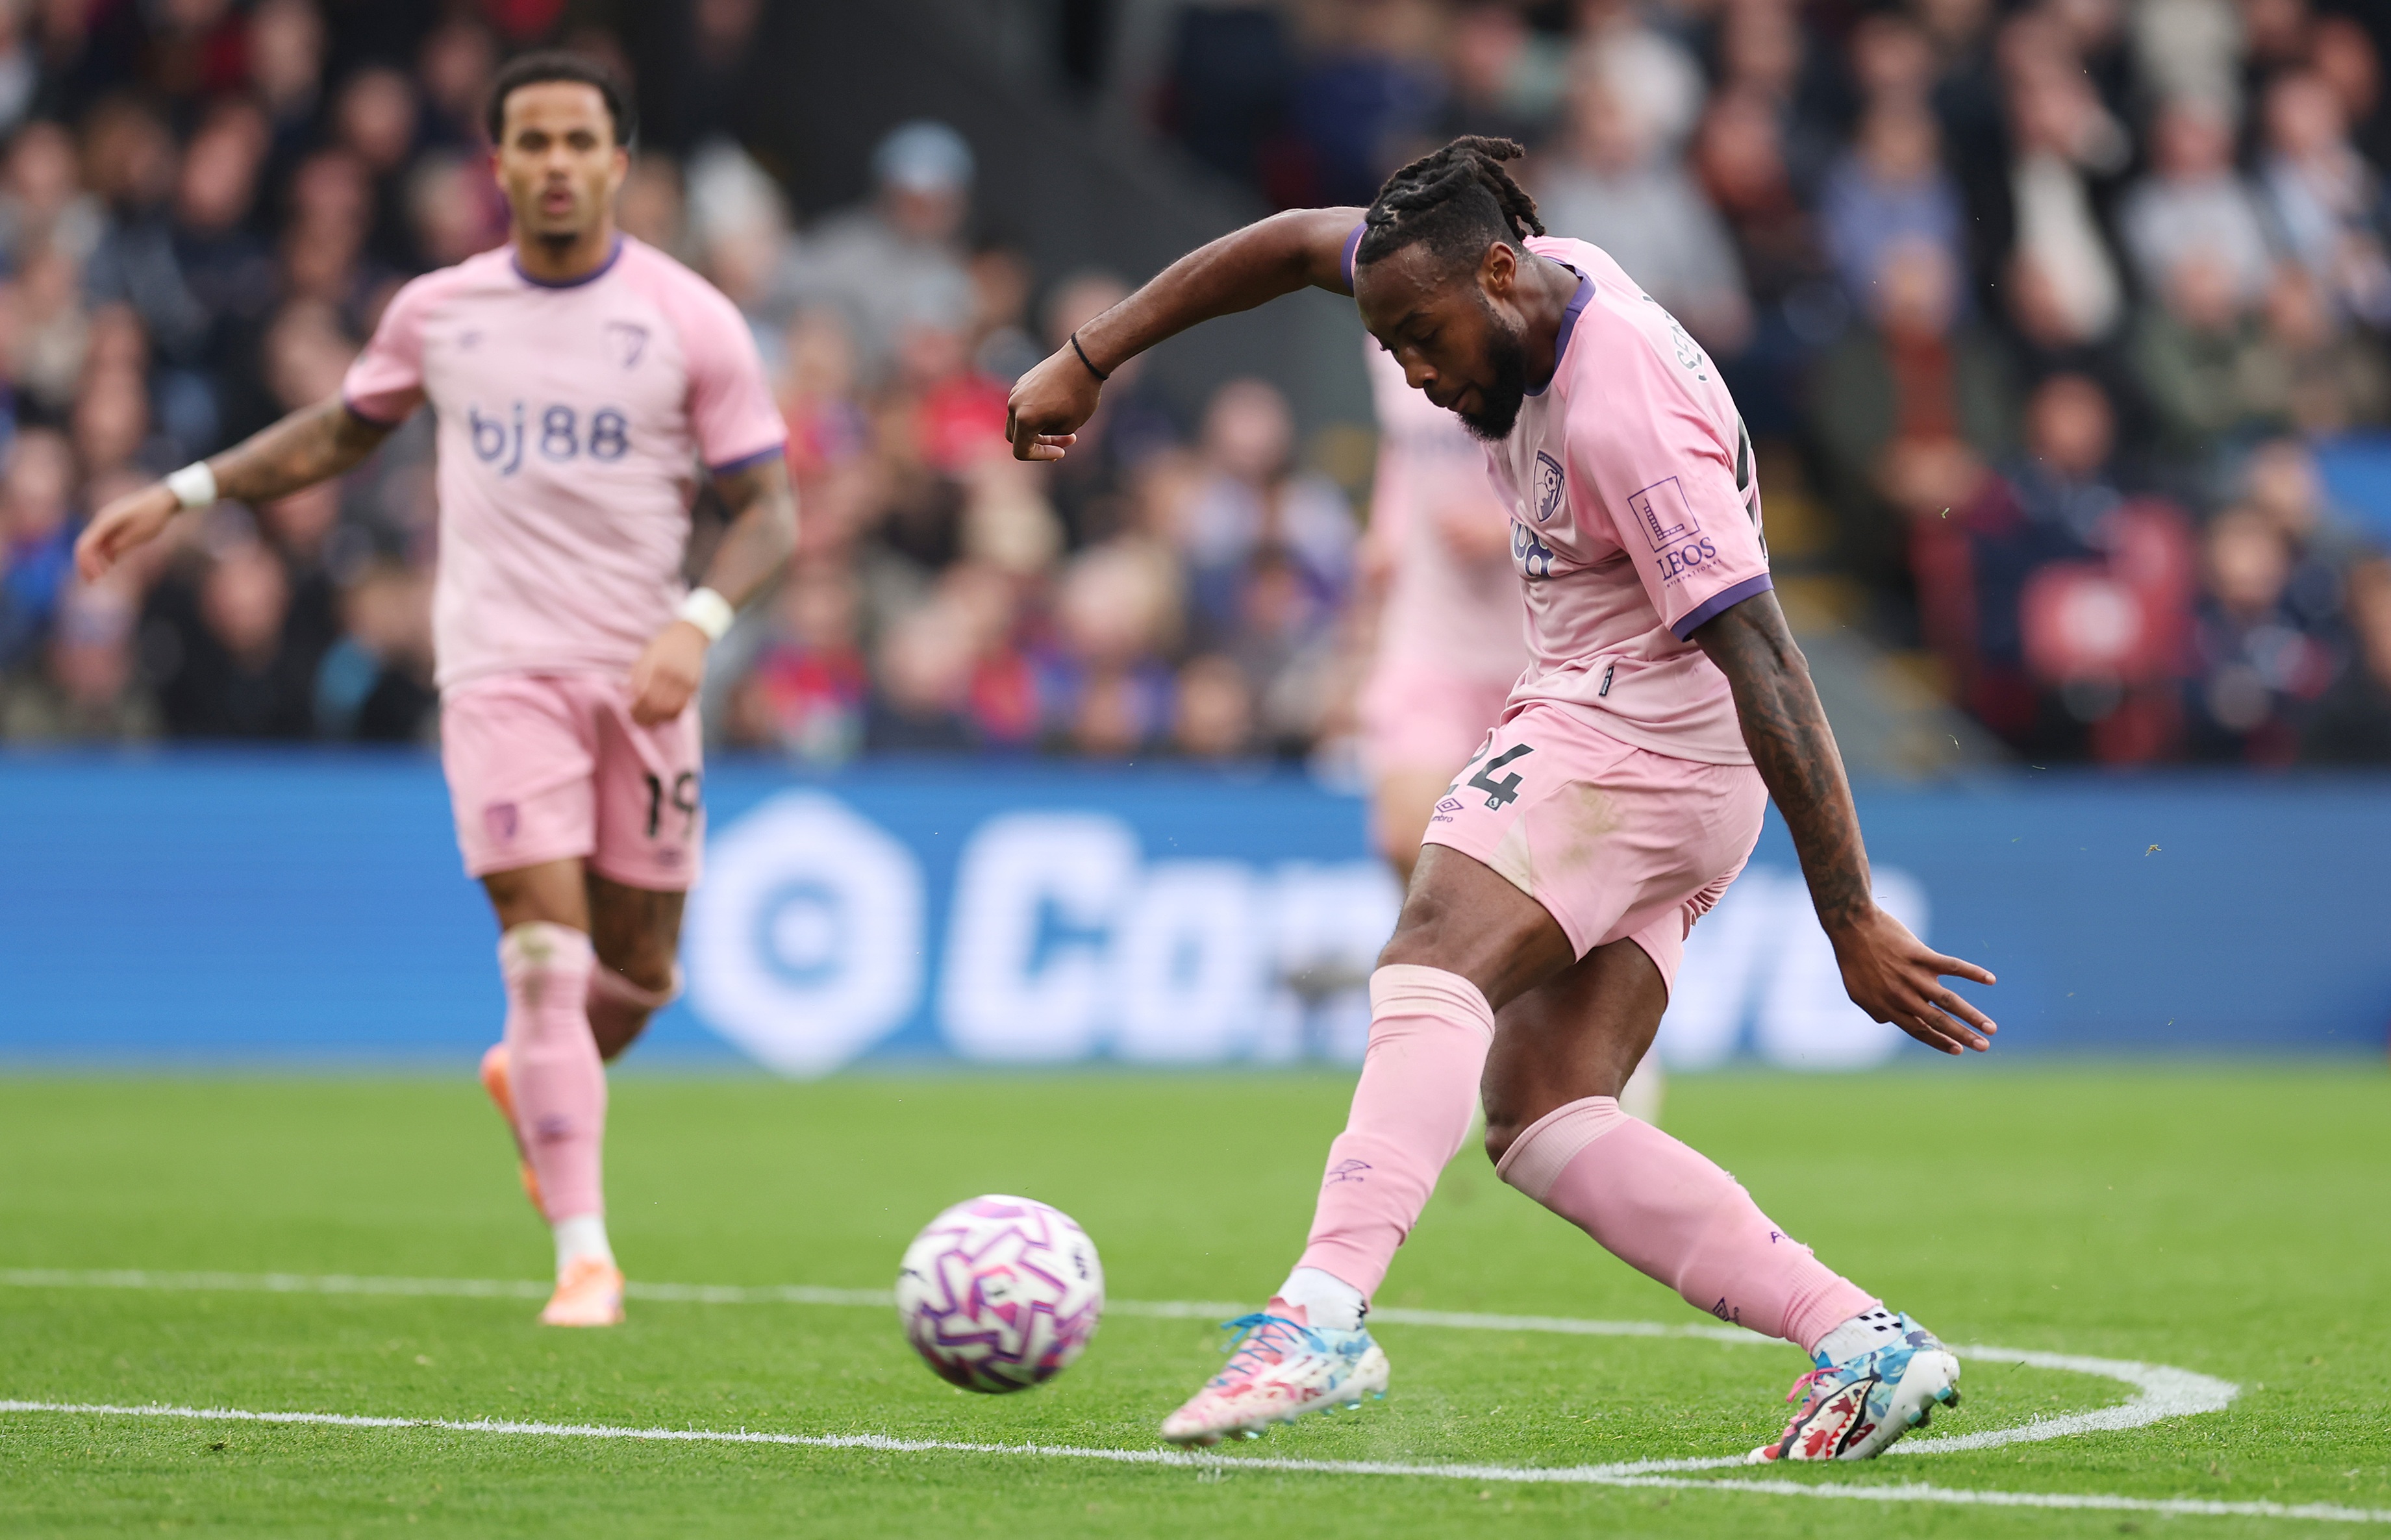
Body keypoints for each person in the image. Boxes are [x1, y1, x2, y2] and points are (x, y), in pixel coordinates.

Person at [1007, 136, 1996, 1462]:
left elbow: (1767, 656)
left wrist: (1847, 916)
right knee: (1539, 1114)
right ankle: (1858, 1340)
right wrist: (1092, 354)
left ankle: (1317, 1317)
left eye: (1421, 339)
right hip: (1661, 757)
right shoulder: (1497, 277)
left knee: (1429, 953)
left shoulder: (1623, 406)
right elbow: (1294, 241)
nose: (1415, 373)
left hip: (1632, 741)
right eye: (1391, 345)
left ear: (1493, 272)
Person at [73, 54, 795, 1330]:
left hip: (643, 676)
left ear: (619, 163)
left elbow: (770, 511)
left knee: (639, 971)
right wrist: (185, 491)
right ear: (497, 163)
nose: (557, 164)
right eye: (534, 142)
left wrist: (698, 621)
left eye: (580, 142)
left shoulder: (691, 320)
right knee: (543, 949)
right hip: (498, 675)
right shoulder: (441, 311)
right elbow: (340, 430)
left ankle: (533, 1078)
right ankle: (585, 1255)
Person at [1356, 339, 1665, 1123]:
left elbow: (1608, 464)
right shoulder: (1390, 336)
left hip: (1546, 647)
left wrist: (1509, 528)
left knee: (1565, 865)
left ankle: (1598, 1029)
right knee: (1404, 834)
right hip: (1431, 638)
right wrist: (1387, 526)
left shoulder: (1552, 336)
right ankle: (1452, 1027)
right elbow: (1407, 449)